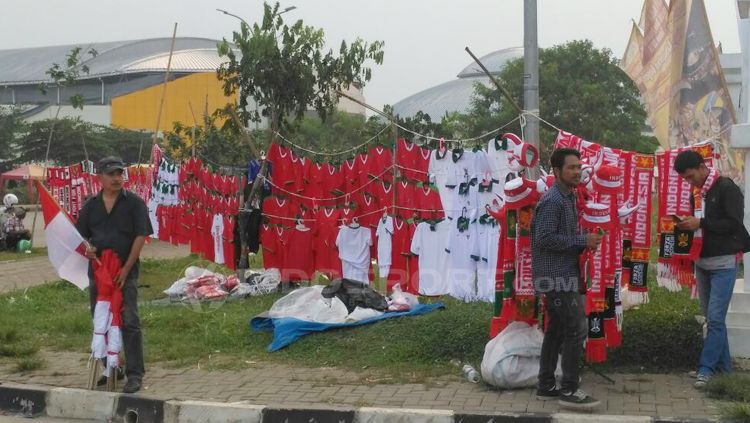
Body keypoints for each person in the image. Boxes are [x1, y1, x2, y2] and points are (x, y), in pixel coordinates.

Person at [531, 148, 603, 410]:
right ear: (557, 171)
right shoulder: (553, 200)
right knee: (576, 328)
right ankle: (569, 389)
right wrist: (582, 240)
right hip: (555, 276)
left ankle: (546, 384)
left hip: (562, 273)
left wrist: (582, 242)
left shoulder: (568, 196)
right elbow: (544, 238)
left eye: (578, 167)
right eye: (571, 167)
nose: (577, 172)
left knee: (558, 329)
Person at [75, 156, 153, 393]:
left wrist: (126, 268)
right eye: (111, 174)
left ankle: (135, 374)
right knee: (101, 319)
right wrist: (87, 250)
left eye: (119, 173)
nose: (117, 178)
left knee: (129, 320)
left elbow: (141, 235)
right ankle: (111, 368)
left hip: (124, 271)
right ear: (99, 178)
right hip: (99, 273)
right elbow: (81, 237)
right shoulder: (91, 205)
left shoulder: (134, 203)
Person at [673, 150, 750, 388]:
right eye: (685, 178)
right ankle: (724, 371)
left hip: (724, 263)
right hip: (701, 261)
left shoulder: (727, 188)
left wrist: (701, 223)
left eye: (690, 175)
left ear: (702, 166)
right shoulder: (697, 193)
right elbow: (700, 224)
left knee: (715, 319)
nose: (689, 181)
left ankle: (705, 369)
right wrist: (687, 223)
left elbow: (734, 223)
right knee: (712, 319)